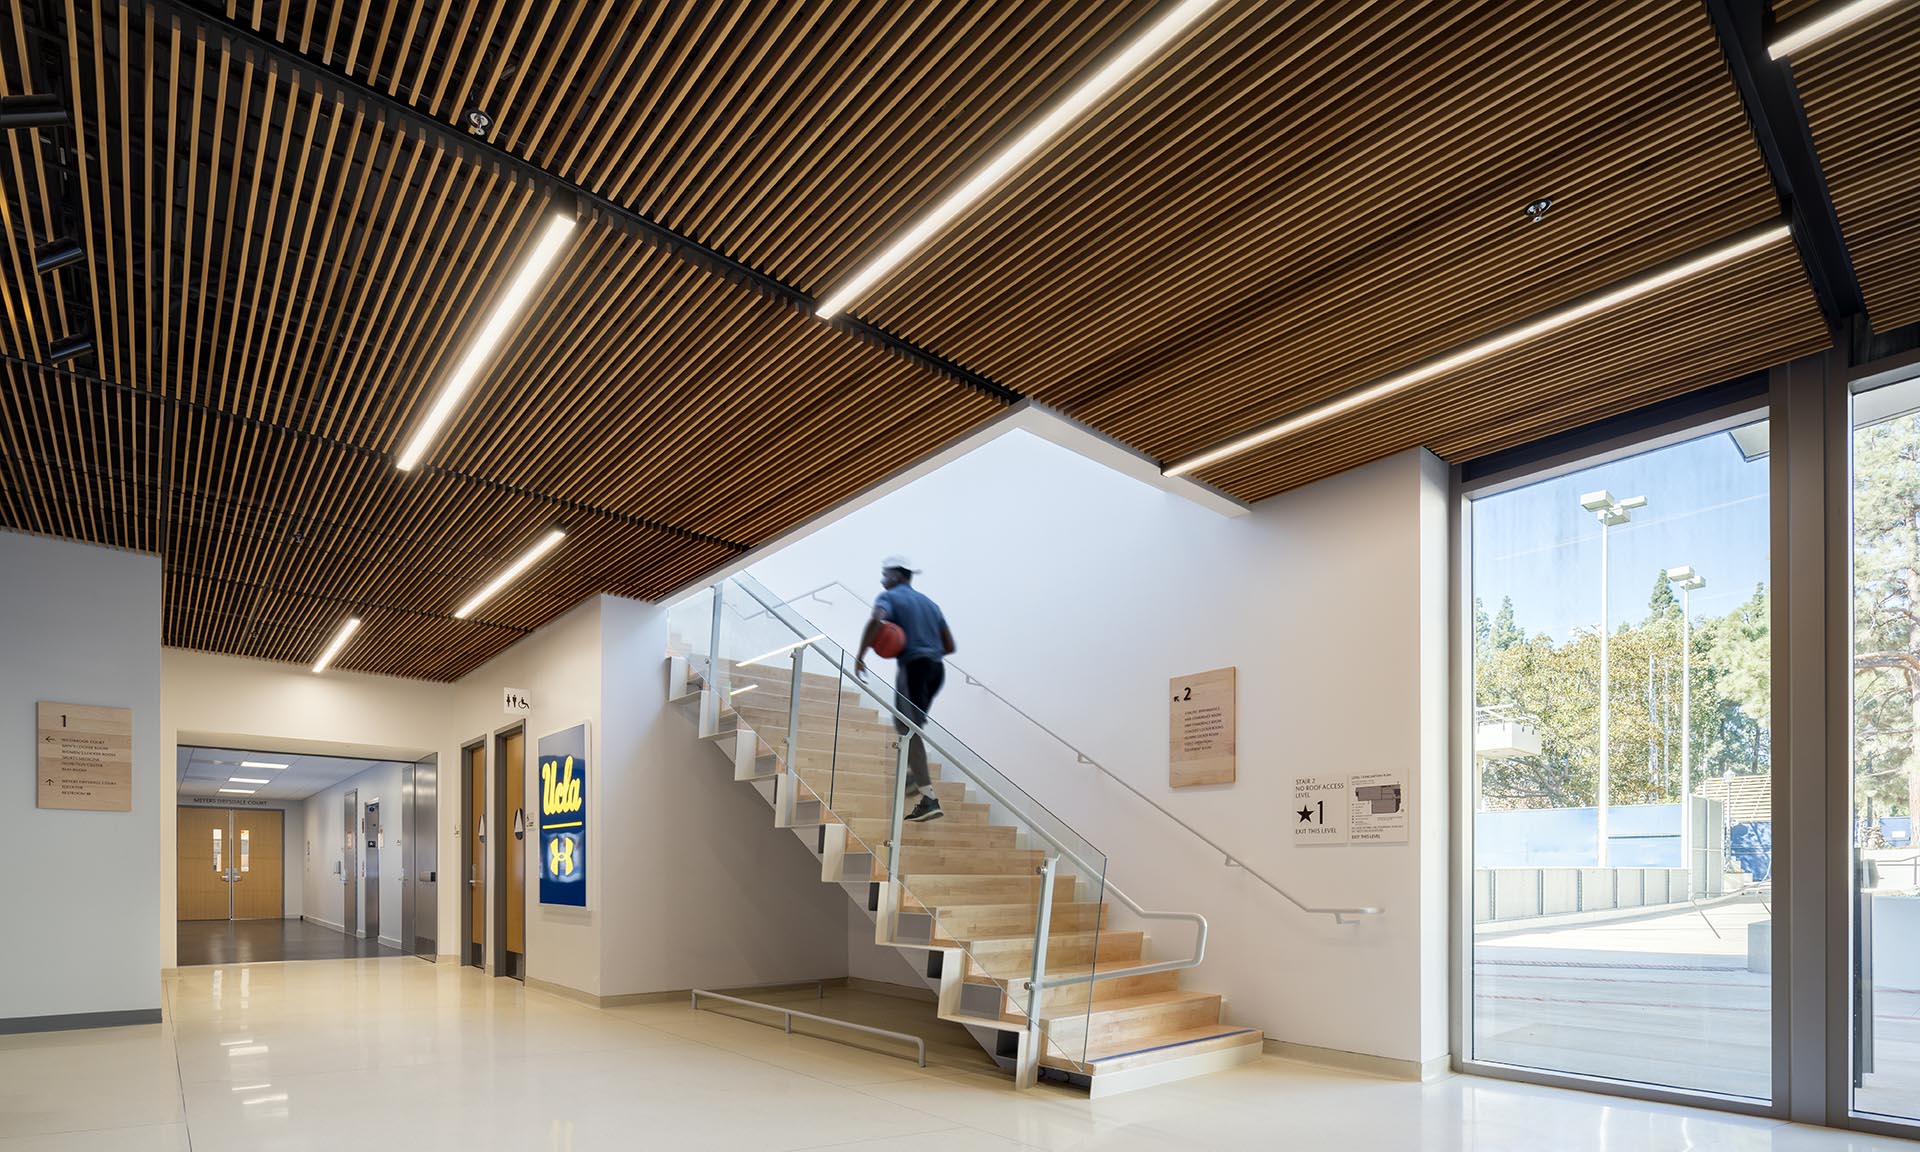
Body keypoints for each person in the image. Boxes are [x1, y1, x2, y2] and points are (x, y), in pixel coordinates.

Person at [854, 555, 954, 822]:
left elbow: (876, 620)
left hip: (913, 669)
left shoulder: (889, 598)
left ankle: (929, 797)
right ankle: (914, 777)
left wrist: (861, 654)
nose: (881, 579)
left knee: (906, 728)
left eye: (885, 574)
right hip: (936, 670)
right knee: (911, 729)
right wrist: (927, 648)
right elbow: (950, 645)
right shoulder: (930, 604)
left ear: (897, 575)